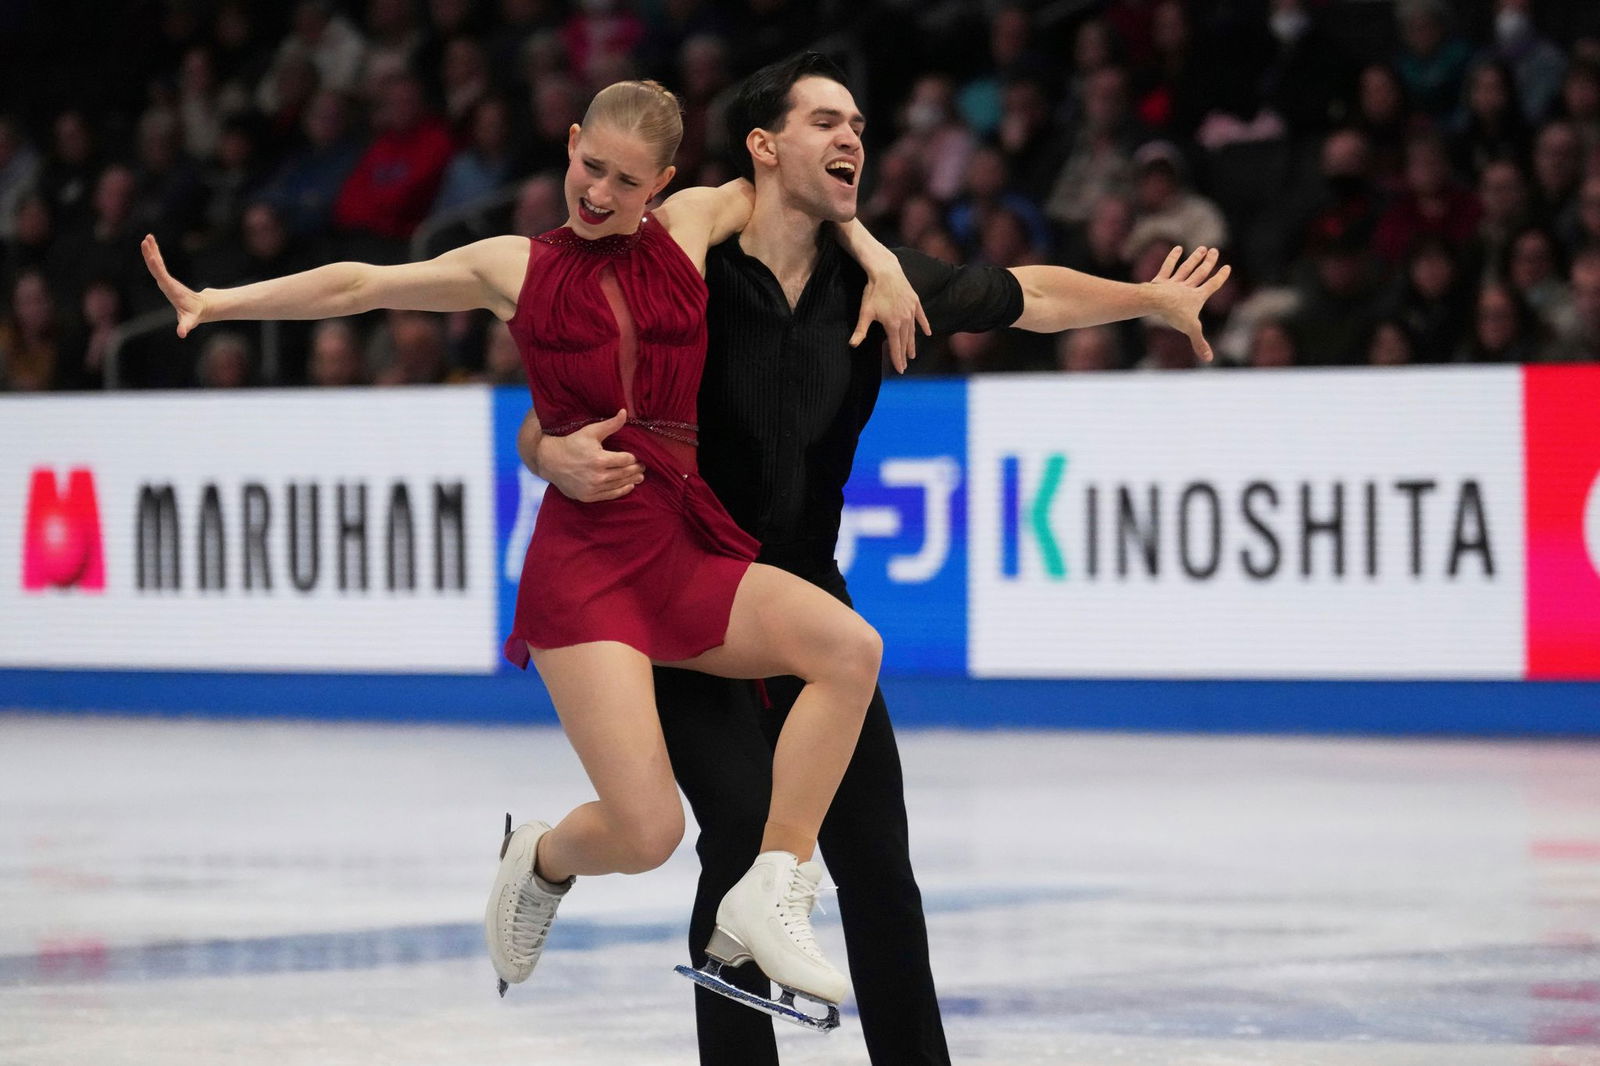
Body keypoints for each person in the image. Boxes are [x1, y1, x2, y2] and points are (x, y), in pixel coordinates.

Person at [141, 78, 923, 1022]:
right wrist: (221, 301)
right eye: (590, 167)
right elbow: (362, 284)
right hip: (586, 568)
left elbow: (810, 193)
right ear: (570, 142)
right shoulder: (515, 264)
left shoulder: (691, 224)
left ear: (662, 184)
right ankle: (542, 857)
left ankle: (773, 883)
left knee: (850, 649)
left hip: (682, 543)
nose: (599, 193)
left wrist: (881, 259)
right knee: (648, 832)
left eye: (627, 182)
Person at [521, 52, 1229, 1066]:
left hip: (806, 599)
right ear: (765, 147)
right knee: (739, 841)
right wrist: (547, 451)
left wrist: (1145, 299)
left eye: (857, 122)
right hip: (691, 599)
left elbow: (1027, 294)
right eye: (824, 121)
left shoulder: (878, 281)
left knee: (879, 871)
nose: (851, 135)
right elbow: (560, 387)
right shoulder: (682, 265)